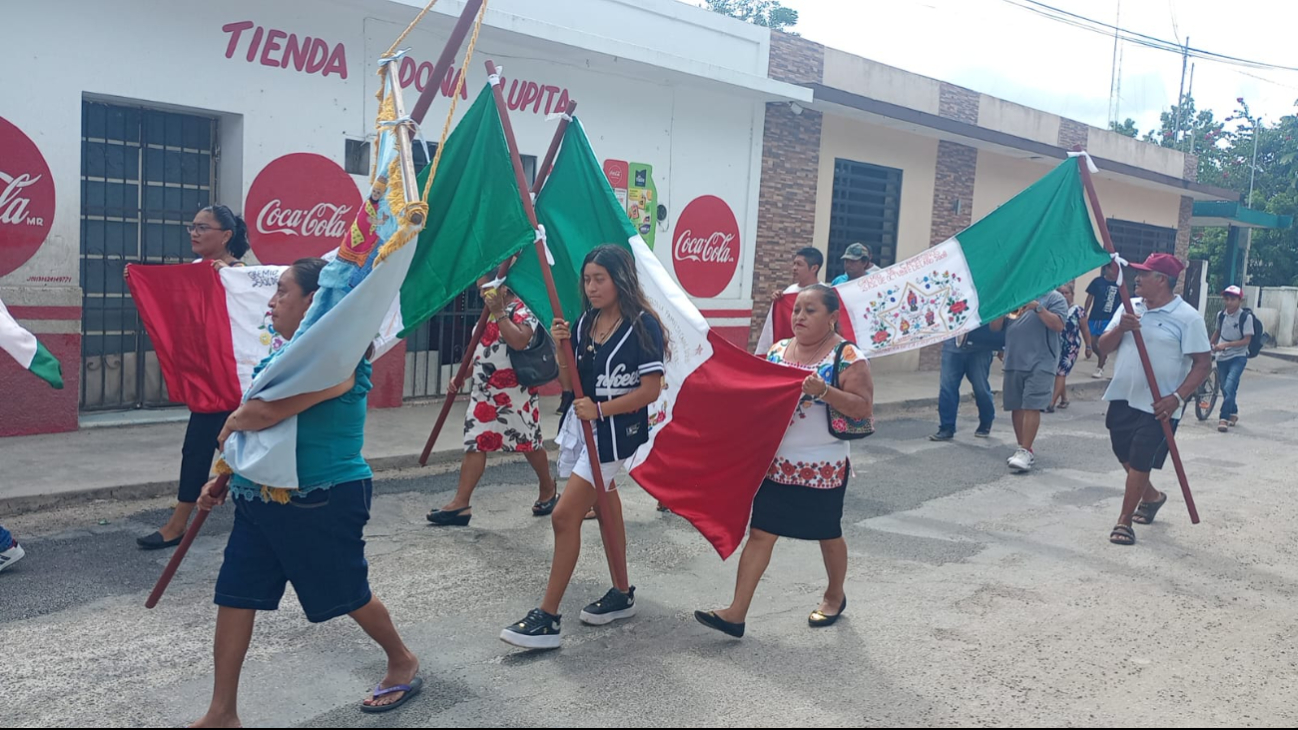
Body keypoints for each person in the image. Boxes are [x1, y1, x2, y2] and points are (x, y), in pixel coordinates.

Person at [191, 259, 422, 726]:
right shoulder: (284, 355)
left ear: (315, 302)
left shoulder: (342, 355)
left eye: (282, 291)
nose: (272, 301)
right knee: (236, 594)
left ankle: (402, 659)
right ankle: (222, 712)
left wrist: (236, 420)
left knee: (347, 594)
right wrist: (226, 474)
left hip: (323, 494)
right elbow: (259, 433)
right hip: (260, 498)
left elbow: (265, 415)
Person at [500, 245, 668, 650]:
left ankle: (548, 618)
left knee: (564, 515)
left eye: (600, 279)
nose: (591, 287)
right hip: (583, 427)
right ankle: (622, 592)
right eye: (587, 279)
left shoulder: (644, 326)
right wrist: (562, 346)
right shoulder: (585, 323)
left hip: (615, 434)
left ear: (620, 279)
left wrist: (601, 409)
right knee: (606, 503)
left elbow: (650, 390)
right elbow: (569, 385)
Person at [695, 285, 873, 638]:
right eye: (796, 311)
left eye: (810, 311)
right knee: (761, 532)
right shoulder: (777, 351)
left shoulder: (849, 356)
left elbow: (862, 407)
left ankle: (835, 595)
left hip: (823, 466)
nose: (799, 317)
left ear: (832, 317)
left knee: (828, 533)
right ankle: (736, 613)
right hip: (776, 463)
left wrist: (823, 390)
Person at [134, 204, 251, 551]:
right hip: (207, 380)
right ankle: (179, 524)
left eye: (204, 227)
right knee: (199, 450)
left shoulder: (242, 275)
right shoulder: (196, 271)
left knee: (241, 452)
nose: (195, 233)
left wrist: (228, 280)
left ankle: (181, 525)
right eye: (193, 226)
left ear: (226, 236)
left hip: (235, 380)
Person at [1096, 253, 1211, 547]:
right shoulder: (1129, 307)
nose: (1137, 278)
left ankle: (1123, 520)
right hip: (1123, 395)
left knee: (1139, 459)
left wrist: (1177, 398)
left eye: (1144, 274)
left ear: (1161, 280)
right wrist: (1122, 328)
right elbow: (1102, 347)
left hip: (1159, 405)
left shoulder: (1187, 318)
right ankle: (1152, 496)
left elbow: (1202, 363)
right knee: (1122, 452)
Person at [427, 281, 558, 526]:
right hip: (485, 393)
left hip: (515, 393)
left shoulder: (524, 309)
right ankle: (461, 504)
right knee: (476, 441)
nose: (480, 292)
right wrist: (460, 376)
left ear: (505, 287)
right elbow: (480, 348)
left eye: (484, 287)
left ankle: (548, 487)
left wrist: (499, 313)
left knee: (528, 444)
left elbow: (519, 341)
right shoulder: (488, 312)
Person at [991, 287, 1068, 473]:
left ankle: (1025, 450)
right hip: (1014, 359)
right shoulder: (1016, 294)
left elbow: (1058, 325)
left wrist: (1037, 308)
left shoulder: (1055, 298)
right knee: (1016, 406)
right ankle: (1022, 448)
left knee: (1031, 405)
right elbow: (994, 327)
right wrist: (1000, 308)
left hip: (1041, 362)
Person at [930, 324, 1001, 441]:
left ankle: (986, 421)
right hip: (953, 345)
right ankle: (947, 427)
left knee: (980, 388)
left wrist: (998, 343)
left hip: (981, 346)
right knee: (947, 387)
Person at [755, 247, 824, 355]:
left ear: (814, 268)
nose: (794, 268)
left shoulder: (825, 293)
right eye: (794, 264)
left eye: (799, 264)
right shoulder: (788, 292)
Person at [1211, 285, 1255, 433]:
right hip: (1222, 357)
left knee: (1229, 386)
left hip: (1238, 356)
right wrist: (1211, 345)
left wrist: (1227, 345)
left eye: (1233, 299)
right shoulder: (1221, 315)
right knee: (1225, 387)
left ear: (1240, 301)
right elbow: (1217, 331)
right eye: (1227, 299)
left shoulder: (1245, 317)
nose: (1229, 302)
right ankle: (1233, 411)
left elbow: (1246, 340)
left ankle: (1223, 418)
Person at [1049, 281, 1092, 412]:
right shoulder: (1052, 309)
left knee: (1061, 373)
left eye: (1066, 293)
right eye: (1060, 293)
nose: (1063, 296)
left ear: (1072, 295)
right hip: (1054, 345)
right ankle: (1064, 398)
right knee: (1057, 373)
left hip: (1070, 348)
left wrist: (1089, 346)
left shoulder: (1078, 311)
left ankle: (1051, 403)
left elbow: (1085, 329)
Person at [1085, 262, 1121, 379]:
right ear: (1107, 269)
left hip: (1109, 319)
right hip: (1095, 316)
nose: (1114, 273)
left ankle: (1100, 367)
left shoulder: (1119, 284)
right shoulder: (1097, 282)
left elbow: (1122, 303)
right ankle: (1103, 357)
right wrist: (1085, 312)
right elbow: (1090, 297)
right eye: (1112, 270)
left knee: (1102, 342)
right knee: (1091, 341)